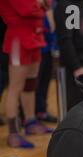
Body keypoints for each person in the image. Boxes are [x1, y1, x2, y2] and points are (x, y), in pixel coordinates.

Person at [0, 0, 53, 148]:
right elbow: (28, 10)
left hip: (35, 36)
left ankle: (30, 122)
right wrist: (40, 5)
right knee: (15, 87)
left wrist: (40, 4)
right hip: (19, 39)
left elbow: (46, 4)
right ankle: (13, 133)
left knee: (30, 84)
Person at [35, 6, 58, 123]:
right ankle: (26, 113)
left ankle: (41, 110)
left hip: (48, 48)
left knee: (45, 80)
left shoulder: (50, 4)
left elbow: (53, 27)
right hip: (36, 47)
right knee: (35, 82)